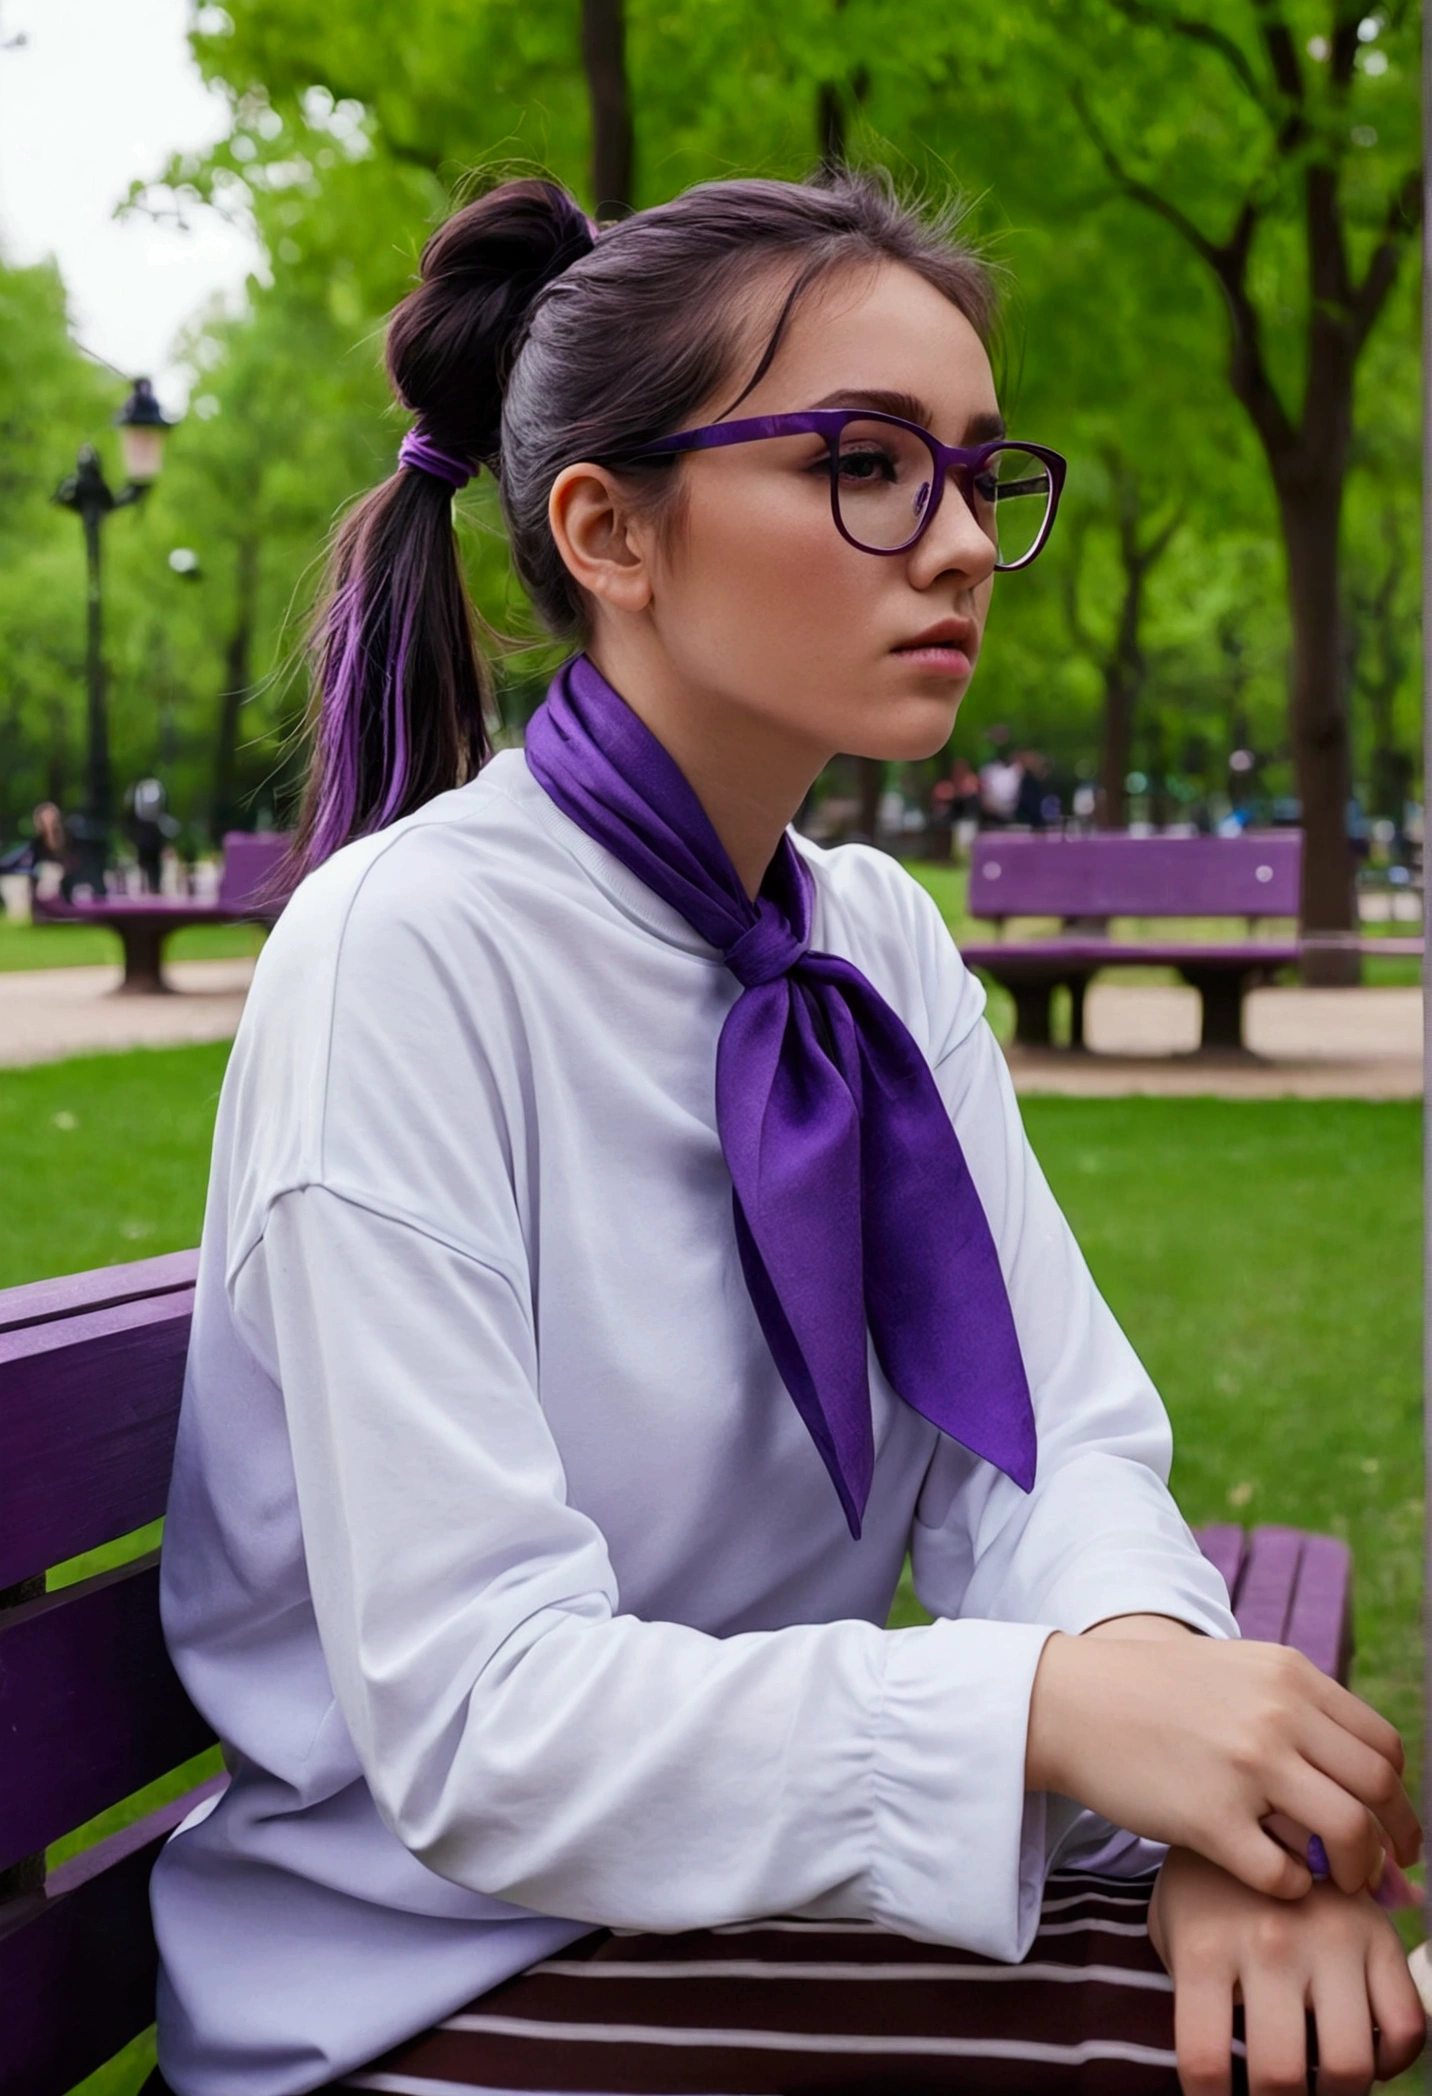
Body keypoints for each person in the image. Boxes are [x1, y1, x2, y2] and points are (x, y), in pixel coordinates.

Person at [148, 173, 1423, 2096]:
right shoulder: (409, 952)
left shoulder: (873, 939)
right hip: (413, 1969)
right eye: (866, 463)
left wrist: (1197, 1779)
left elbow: (1043, 1446)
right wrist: (1039, 1715)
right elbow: (482, 1716)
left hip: (720, 1892)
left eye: (978, 472)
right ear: (610, 531)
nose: (965, 544)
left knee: (1297, 1996)